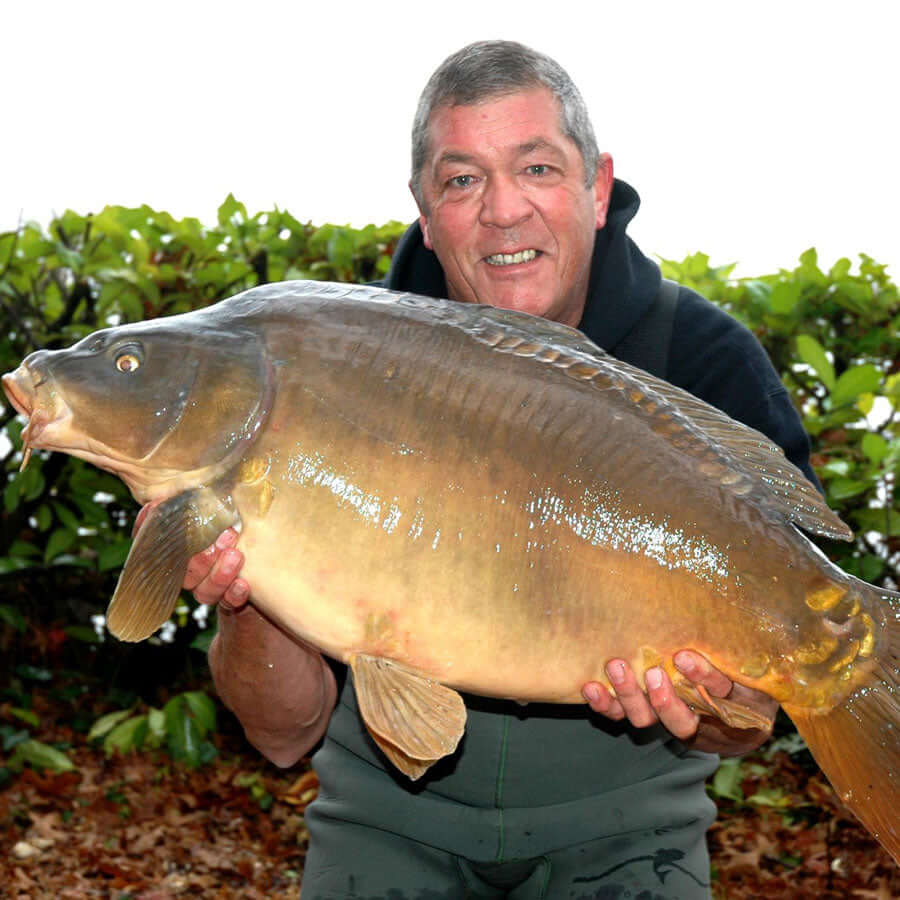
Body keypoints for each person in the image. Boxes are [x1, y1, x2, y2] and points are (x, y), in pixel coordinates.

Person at [173, 41, 814, 898]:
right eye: (462, 179)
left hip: (629, 826)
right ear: (424, 212)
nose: (503, 211)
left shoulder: (705, 361)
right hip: (386, 815)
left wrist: (709, 707)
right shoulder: (324, 371)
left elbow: (751, 724)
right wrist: (247, 603)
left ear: (597, 186)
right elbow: (284, 734)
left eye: (537, 167)